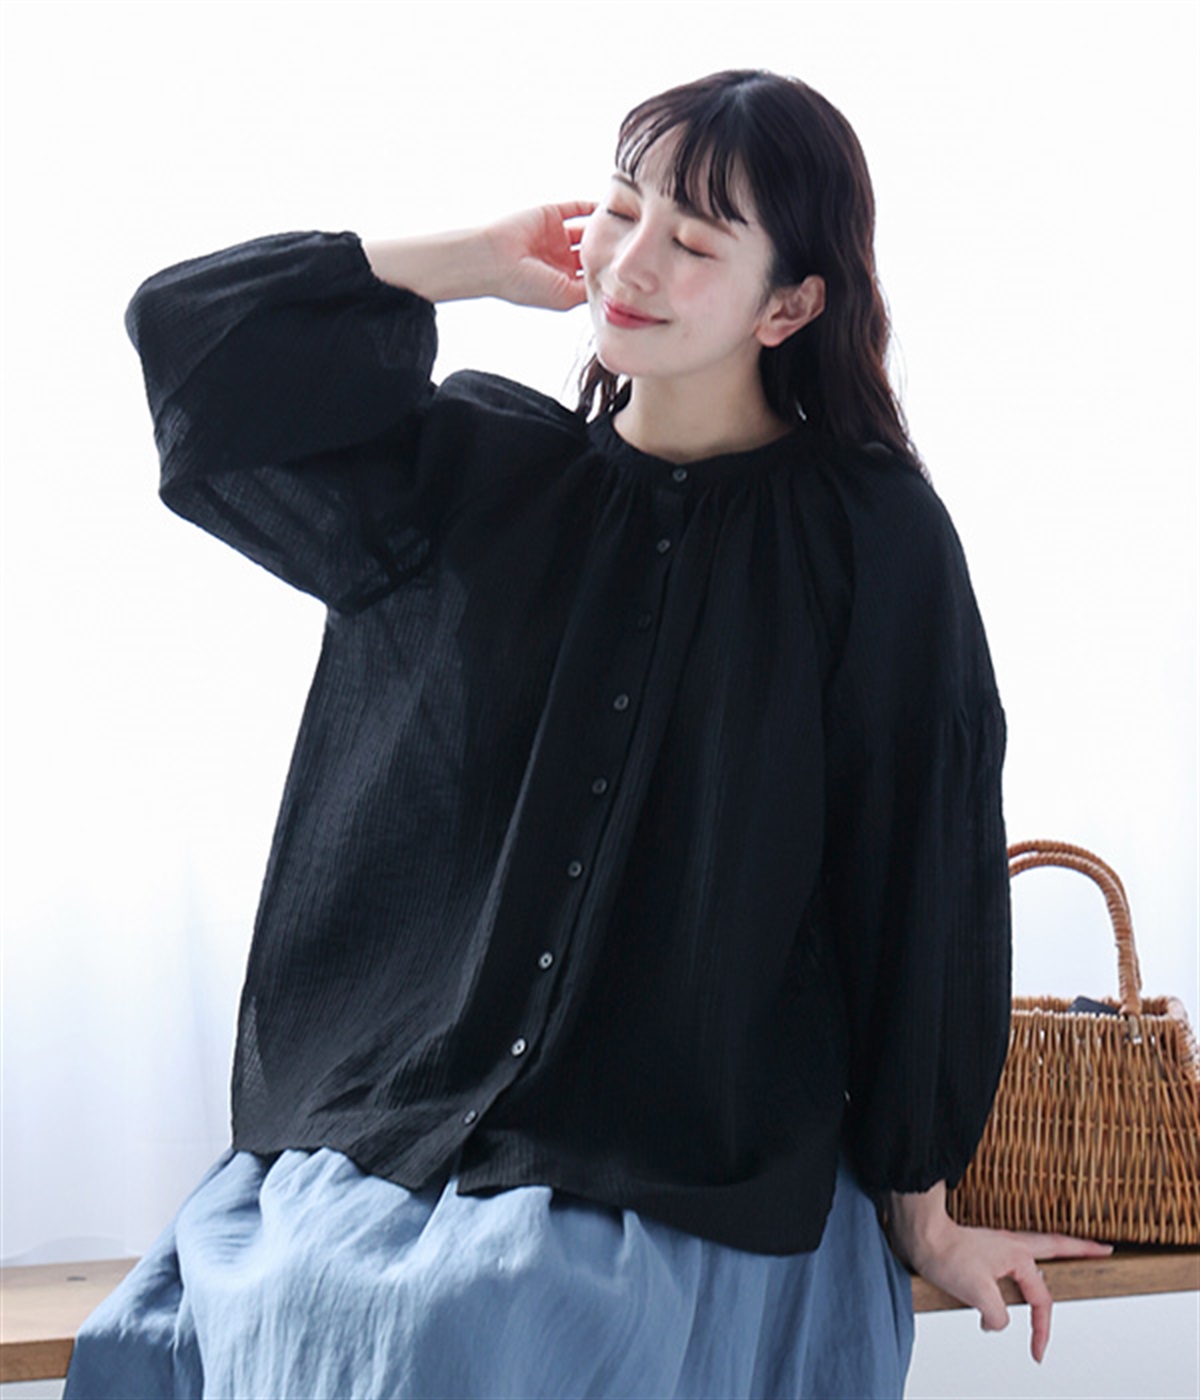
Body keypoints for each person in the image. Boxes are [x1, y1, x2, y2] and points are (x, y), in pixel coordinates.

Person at [64, 69, 1110, 1400]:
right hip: (407, 1113)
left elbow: (919, 862)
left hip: (692, 1142)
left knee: (488, 1322)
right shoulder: (479, 469)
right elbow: (194, 338)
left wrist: (927, 1210)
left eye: (695, 242)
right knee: (273, 1313)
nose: (633, 261)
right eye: (622, 209)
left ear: (790, 307)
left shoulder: (871, 536)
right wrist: (469, 262)